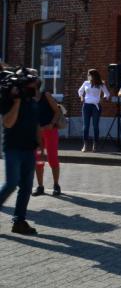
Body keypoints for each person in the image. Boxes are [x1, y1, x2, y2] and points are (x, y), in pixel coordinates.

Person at [0, 73, 42, 234]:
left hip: (29, 149)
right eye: (33, 86)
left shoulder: (33, 102)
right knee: (11, 183)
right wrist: (17, 102)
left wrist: (40, 145)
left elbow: (36, 124)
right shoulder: (9, 101)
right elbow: (8, 123)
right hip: (13, 148)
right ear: (23, 87)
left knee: (26, 187)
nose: (36, 89)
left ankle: (19, 222)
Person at [32, 78, 63, 197]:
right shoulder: (28, 99)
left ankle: (56, 185)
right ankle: (40, 186)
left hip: (50, 131)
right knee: (38, 159)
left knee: (52, 158)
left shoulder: (46, 95)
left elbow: (57, 111)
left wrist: (51, 124)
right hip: (38, 135)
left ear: (35, 85)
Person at [77, 69, 110, 152]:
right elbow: (80, 91)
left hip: (96, 106)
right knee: (86, 126)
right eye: (88, 74)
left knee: (95, 126)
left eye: (89, 74)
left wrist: (103, 99)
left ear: (94, 75)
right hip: (86, 105)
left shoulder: (100, 84)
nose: (88, 76)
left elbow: (107, 94)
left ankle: (95, 145)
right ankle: (85, 145)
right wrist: (81, 97)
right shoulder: (86, 83)